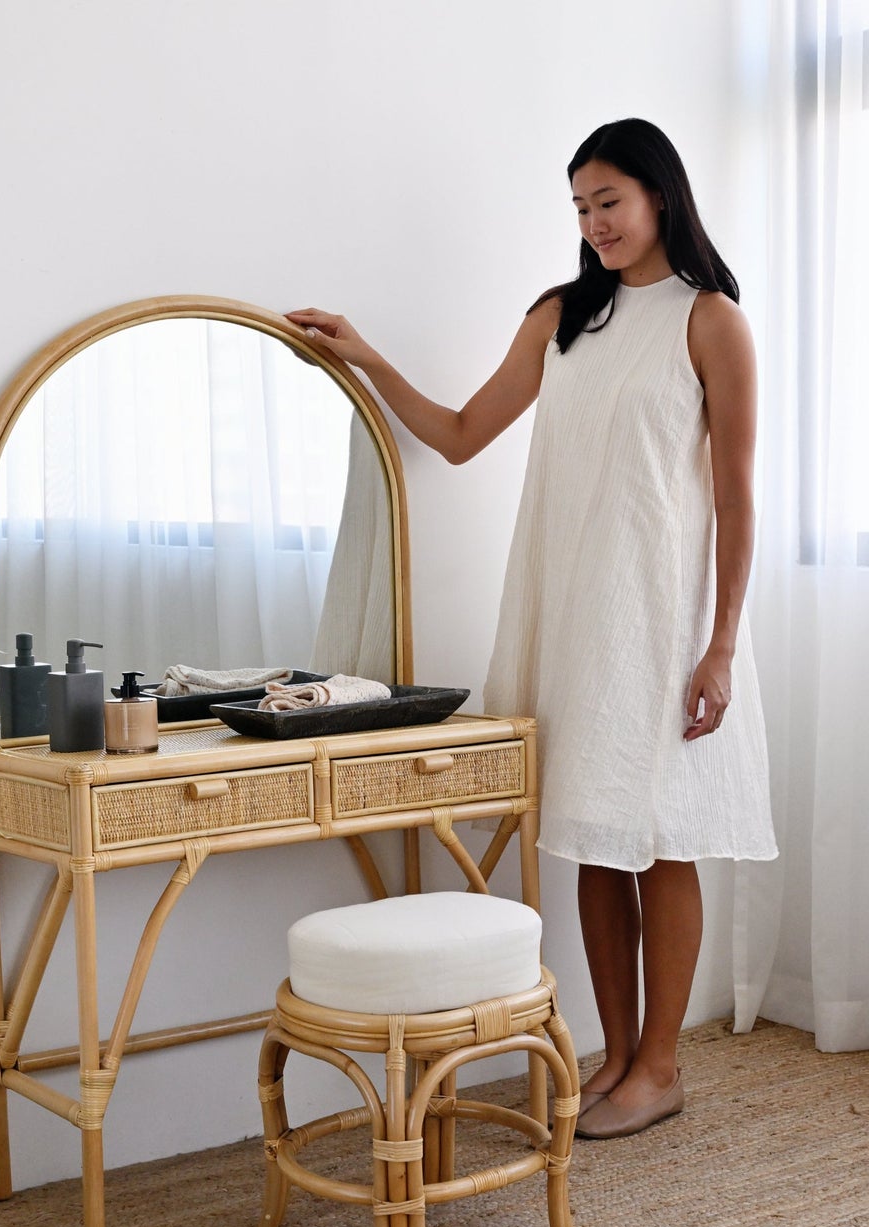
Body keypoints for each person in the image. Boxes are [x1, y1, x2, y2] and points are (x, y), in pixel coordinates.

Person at [288, 117, 778, 1141]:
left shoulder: (711, 319)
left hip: (666, 617)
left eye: (611, 201)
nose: (597, 223)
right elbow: (464, 435)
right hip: (576, 616)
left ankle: (665, 1064)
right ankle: (617, 1054)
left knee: (665, 839)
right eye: (581, 208)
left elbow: (736, 495)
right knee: (597, 841)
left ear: (660, 197)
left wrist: (722, 643)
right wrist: (367, 355)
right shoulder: (563, 318)